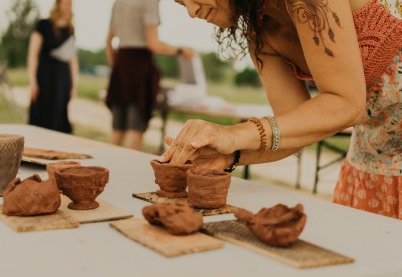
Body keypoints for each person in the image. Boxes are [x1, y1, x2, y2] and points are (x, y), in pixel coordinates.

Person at [161, 0, 401, 220]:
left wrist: (232, 134)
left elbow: (346, 103)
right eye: (181, 4)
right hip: (370, 170)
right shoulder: (261, 35)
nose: (192, 12)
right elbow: (296, 130)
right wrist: (229, 155)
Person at [105, 0, 194, 150]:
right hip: (139, 66)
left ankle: (107, 169)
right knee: (135, 128)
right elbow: (153, 44)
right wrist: (181, 51)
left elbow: (108, 41)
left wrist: (117, 67)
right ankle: (127, 173)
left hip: (120, 65)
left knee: (117, 128)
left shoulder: (119, 1)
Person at [27, 0, 79, 134]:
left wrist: (74, 85)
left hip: (62, 79)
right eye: (66, 3)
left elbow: (72, 60)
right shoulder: (43, 25)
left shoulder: (69, 30)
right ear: (58, 4)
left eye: (71, 4)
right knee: (42, 114)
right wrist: (32, 80)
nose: (69, 7)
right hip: (45, 76)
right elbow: (33, 54)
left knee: (58, 116)